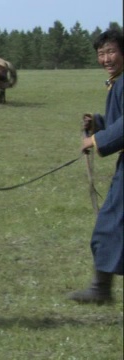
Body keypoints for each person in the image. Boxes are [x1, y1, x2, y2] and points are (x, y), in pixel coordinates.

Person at [69, 28, 124, 304]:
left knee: (110, 222)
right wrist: (100, 123)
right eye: (101, 54)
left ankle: (100, 290)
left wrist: (95, 139)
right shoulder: (118, 81)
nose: (106, 58)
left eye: (111, 51)